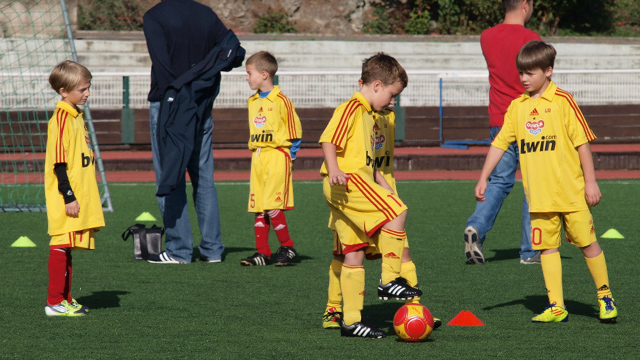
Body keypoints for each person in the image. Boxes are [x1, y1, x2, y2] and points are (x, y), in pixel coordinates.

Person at [474, 40, 618, 323]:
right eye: (521, 73)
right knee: (546, 248)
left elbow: (582, 143)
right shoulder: (517, 107)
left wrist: (591, 182)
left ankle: (605, 296)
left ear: (548, 71)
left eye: (530, 72)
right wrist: (483, 178)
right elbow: (500, 143)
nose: (524, 78)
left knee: (587, 244)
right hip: (538, 197)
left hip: (571, 193)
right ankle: (557, 306)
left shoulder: (563, 101)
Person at [322, 83, 442, 330]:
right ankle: (334, 309)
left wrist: (382, 183)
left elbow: (372, 161)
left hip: (371, 187)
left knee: (383, 251)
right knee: (345, 252)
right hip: (350, 186)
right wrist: (334, 168)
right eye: (392, 95)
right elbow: (330, 140)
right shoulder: (357, 110)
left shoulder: (380, 116)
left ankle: (408, 311)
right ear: (377, 86)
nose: (394, 100)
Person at [143, 0, 245, 264]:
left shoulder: (155, 16)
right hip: (200, 103)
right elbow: (235, 53)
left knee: (170, 174)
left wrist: (178, 92)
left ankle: (179, 251)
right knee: (204, 178)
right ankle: (212, 250)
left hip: (171, 105)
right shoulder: (205, 14)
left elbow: (162, 65)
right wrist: (203, 76)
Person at [465, 0, 542, 265]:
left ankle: (476, 226)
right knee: (533, 184)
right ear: (524, 4)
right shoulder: (531, 38)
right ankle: (530, 250)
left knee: (498, 181)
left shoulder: (487, 37)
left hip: (499, 118)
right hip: (529, 119)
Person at [44, 60, 105, 316]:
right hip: (65, 196)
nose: (87, 93)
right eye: (82, 89)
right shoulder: (60, 119)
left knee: (67, 246)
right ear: (64, 91)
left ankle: (65, 300)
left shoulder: (76, 116)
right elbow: (59, 164)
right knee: (60, 244)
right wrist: (68, 195)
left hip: (77, 194)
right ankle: (54, 302)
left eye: (88, 88)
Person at [240, 51, 302, 266]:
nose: (247, 77)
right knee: (259, 206)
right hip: (257, 157)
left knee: (273, 205)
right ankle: (263, 253)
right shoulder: (252, 101)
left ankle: (287, 246)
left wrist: (289, 157)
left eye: (249, 73)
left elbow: (295, 133)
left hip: (277, 156)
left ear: (264, 74)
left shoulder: (282, 101)